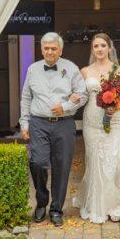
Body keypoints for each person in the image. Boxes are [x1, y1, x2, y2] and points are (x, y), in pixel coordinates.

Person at [74, 33, 120, 224]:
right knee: (95, 160)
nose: (99, 49)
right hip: (92, 122)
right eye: (95, 46)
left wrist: (117, 106)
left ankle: (116, 205)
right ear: (92, 49)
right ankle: (98, 205)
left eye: (102, 45)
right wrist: (72, 99)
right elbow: (81, 95)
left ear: (109, 48)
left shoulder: (119, 70)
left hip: (114, 121)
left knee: (113, 159)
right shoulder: (85, 71)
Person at [20, 32, 88, 227]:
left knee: (62, 166)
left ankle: (56, 209)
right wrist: (24, 123)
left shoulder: (71, 68)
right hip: (39, 123)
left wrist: (65, 107)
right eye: (46, 48)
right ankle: (41, 202)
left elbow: (82, 95)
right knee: (38, 162)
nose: (49, 52)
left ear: (60, 49)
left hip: (64, 124)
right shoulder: (33, 69)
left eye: (53, 48)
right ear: (41, 49)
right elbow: (26, 98)